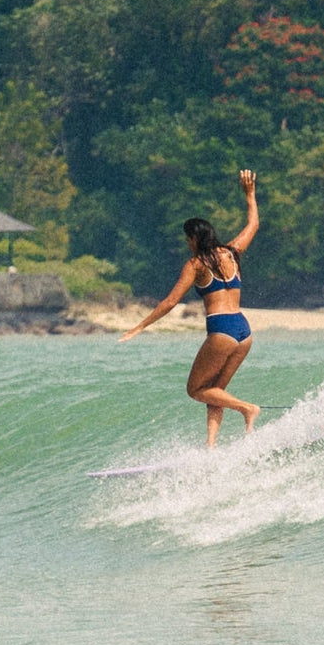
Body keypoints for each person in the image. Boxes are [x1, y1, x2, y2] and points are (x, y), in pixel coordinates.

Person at [119, 169, 261, 446]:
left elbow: (170, 302)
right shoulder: (231, 253)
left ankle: (247, 409)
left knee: (195, 389)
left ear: (195, 238)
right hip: (244, 330)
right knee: (215, 390)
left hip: (222, 330)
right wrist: (250, 195)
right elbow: (253, 225)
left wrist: (138, 327)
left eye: (188, 239)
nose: (187, 244)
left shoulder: (196, 265)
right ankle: (210, 446)